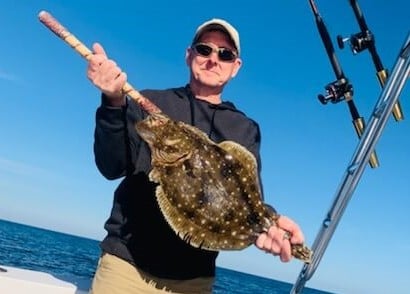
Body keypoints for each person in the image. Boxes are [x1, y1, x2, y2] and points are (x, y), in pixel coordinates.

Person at [87, 18, 306, 294]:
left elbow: (248, 200)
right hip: (126, 267)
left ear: (235, 67)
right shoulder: (150, 104)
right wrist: (113, 102)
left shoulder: (244, 128)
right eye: (205, 49)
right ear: (189, 54)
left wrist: (269, 224)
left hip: (193, 282)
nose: (213, 59)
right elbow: (112, 166)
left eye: (225, 54)